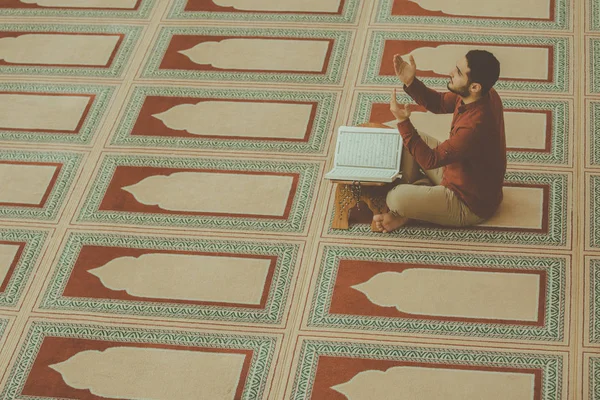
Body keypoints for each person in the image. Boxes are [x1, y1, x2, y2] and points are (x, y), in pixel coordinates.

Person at [373, 50, 506, 233]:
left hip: (467, 202)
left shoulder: (474, 128)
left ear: (475, 86)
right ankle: (420, 200)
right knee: (407, 139)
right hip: (456, 171)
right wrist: (411, 82)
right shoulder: (483, 92)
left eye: (458, 72)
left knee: (394, 198)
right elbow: (440, 103)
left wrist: (402, 120)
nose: (451, 72)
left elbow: (430, 160)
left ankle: (412, 206)